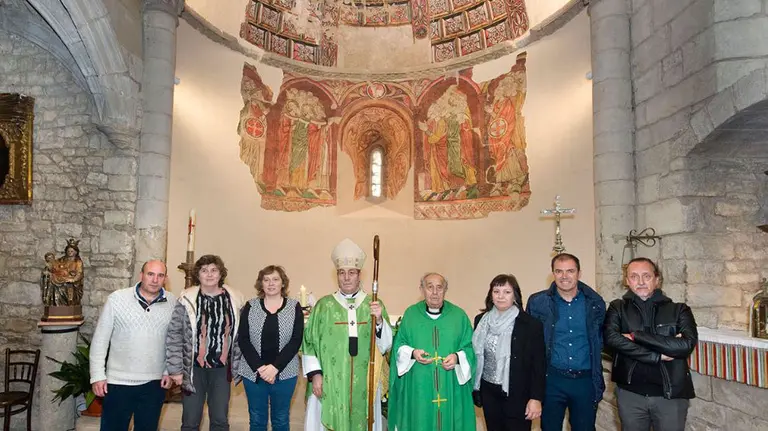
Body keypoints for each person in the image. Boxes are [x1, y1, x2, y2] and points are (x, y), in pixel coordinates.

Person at [302, 238, 393, 431]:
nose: (346, 278)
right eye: (341, 273)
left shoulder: (373, 305)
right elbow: (308, 343)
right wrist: (315, 375)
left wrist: (379, 321)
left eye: (351, 272)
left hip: (364, 381)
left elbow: (385, 345)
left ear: (359, 275)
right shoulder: (324, 306)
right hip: (330, 381)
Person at [604, 257, 698, 431]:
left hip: (671, 396)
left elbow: (685, 345)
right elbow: (611, 339)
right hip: (630, 395)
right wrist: (657, 355)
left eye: (646, 276)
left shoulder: (679, 310)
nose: (640, 282)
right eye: (634, 276)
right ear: (627, 281)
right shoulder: (618, 308)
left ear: (657, 279)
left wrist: (636, 336)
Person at [90, 260, 176, 431]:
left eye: (160, 275)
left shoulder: (172, 302)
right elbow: (100, 339)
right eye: (150, 274)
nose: (155, 280)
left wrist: (168, 370)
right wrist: (97, 376)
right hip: (118, 382)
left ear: (165, 279)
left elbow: (173, 340)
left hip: (154, 383)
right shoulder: (117, 299)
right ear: (141, 275)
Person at [526, 253, 606, 431]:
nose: (564, 276)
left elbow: (601, 338)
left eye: (570, 271)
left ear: (579, 273)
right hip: (551, 380)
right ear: (553, 273)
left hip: (584, 380)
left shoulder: (595, 302)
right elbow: (530, 345)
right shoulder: (537, 302)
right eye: (559, 271)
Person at [166, 254, 245, 431]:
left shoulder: (235, 299)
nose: (209, 274)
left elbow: (241, 336)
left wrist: (239, 365)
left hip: (221, 369)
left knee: (220, 420)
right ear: (198, 274)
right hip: (193, 369)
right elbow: (175, 334)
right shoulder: (186, 299)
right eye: (204, 270)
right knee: (190, 420)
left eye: (214, 270)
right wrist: (175, 369)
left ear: (220, 273)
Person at [388, 272, 476, 431]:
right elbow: (398, 346)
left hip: (450, 384)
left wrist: (457, 357)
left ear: (445, 290)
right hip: (420, 385)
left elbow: (470, 348)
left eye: (439, 287)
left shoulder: (459, 316)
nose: (435, 292)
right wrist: (413, 353)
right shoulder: (411, 315)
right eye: (430, 287)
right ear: (421, 289)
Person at [234, 265, 303, 431]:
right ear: (261, 284)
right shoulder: (250, 306)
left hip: (285, 373)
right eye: (266, 280)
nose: (271, 283)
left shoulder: (294, 307)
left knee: (281, 420)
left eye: (275, 279)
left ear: (283, 283)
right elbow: (243, 339)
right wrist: (260, 368)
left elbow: (295, 340)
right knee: (257, 420)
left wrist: (275, 368)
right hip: (254, 373)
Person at [472, 274, 545, 431]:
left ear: (515, 296)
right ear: (491, 295)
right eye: (496, 291)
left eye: (507, 292)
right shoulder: (480, 321)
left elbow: (539, 365)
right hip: (489, 392)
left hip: (518, 394)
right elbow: (476, 356)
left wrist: (536, 398)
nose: (501, 296)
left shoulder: (530, 324)